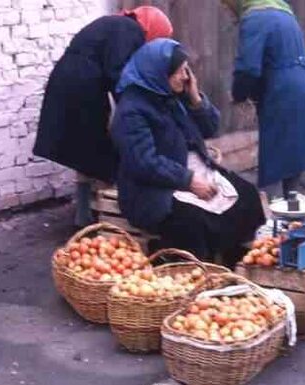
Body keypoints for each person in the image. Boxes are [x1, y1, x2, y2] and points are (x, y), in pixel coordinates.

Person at [111, 39, 265, 265]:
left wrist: (195, 98)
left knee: (248, 195)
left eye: (187, 70)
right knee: (192, 220)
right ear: (160, 73)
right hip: (151, 188)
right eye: (180, 71)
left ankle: (233, 262)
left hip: (189, 167)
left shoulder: (174, 96)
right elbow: (144, 162)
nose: (186, 76)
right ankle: (193, 267)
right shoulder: (131, 111)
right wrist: (189, 181)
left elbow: (210, 128)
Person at [32, 6, 173, 227]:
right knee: (96, 146)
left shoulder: (117, 24)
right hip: (82, 86)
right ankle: (96, 212)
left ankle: (84, 211)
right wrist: (135, 111)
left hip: (70, 81)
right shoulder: (129, 30)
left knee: (85, 147)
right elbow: (119, 72)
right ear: (153, 29)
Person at [220, 0, 305, 197]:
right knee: (295, 160)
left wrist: (239, 94)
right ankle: (297, 209)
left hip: (284, 92)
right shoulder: (282, 11)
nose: (227, 9)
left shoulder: (254, 18)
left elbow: (248, 68)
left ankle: (280, 215)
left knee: (279, 164)